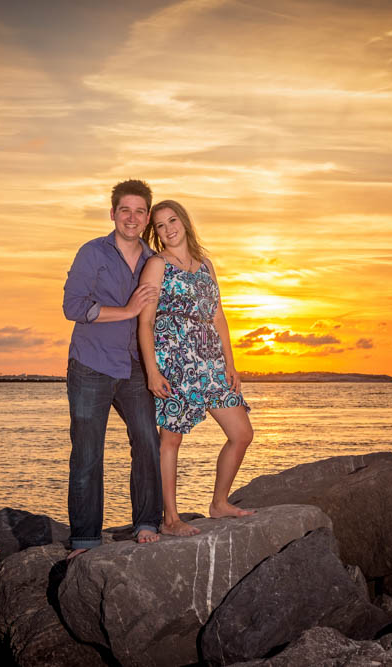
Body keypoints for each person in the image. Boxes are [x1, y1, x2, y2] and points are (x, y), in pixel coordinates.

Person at [138, 200, 254, 537]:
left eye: (172, 220)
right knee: (170, 441)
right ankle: (170, 519)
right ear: (155, 233)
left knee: (241, 433)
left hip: (210, 361)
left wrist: (230, 364)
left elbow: (218, 316)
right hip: (174, 360)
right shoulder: (157, 265)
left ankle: (219, 503)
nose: (168, 228)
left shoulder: (205, 265)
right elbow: (145, 322)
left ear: (185, 222)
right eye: (160, 225)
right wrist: (152, 371)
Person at [62, 179, 164, 557]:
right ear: (113, 214)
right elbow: (73, 307)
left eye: (140, 211)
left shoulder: (156, 261)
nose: (132, 218)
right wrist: (126, 311)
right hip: (91, 364)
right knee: (88, 452)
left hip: (136, 365)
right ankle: (86, 538)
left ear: (147, 216)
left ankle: (147, 522)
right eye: (125, 210)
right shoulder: (92, 253)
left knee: (148, 442)